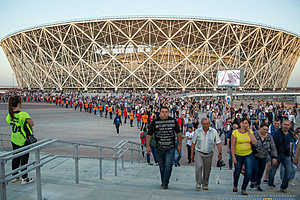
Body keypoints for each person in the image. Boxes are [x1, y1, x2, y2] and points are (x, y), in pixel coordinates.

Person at [146, 106, 182, 189]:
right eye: (163, 112)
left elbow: (179, 134)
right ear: (160, 112)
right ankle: (164, 181)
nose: (164, 113)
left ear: (168, 112)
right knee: (162, 166)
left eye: (166, 112)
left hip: (170, 147)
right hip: (159, 147)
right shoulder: (155, 122)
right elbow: (149, 135)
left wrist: (179, 145)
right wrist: (148, 146)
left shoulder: (173, 121)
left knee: (168, 165)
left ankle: (165, 183)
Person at [6, 96, 34, 184]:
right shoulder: (23, 114)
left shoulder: (9, 115)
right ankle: (24, 178)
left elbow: (9, 122)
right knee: (24, 160)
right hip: (23, 140)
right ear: (19, 104)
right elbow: (32, 124)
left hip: (14, 139)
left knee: (16, 158)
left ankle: (15, 176)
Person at [191, 118, 222, 190]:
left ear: (209, 124)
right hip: (199, 152)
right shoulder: (197, 131)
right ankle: (198, 182)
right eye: (204, 124)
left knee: (207, 169)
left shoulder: (214, 132)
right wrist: (192, 154)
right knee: (199, 167)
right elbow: (193, 143)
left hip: (209, 153)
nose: (206, 125)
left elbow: (218, 143)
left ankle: (205, 183)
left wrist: (220, 153)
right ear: (201, 124)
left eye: (207, 124)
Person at [231, 118, 257, 195]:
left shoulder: (250, 132)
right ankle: (235, 185)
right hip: (238, 154)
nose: (244, 125)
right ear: (240, 124)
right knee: (237, 172)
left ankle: (243, 188)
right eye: (243, 123)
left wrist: (249, 132)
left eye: (246, 123)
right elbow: (232, 146)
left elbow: (255, 143)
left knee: (248, 172)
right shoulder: (235, 132)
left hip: (248, 154)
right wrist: (233, 157)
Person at [268, 120, 295, 193]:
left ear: (290, 126)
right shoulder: (276, 133)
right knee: (273, 170)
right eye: (285, 124)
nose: (286, 126)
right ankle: (270, 183)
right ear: (282, 125)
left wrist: (292, 155)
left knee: (288, 171)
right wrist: (274, 157)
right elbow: (272, 146)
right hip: (277, 154)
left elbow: (292, 145)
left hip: (287, 155)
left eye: (288, 125)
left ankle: (283, 187)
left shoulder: (291, 134)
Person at [250, 123, 278, 191]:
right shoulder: (254, 134)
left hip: (264, 156)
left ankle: (258, 184)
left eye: (267, 130)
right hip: (255, 155)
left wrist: (274, 156)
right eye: (264, 129)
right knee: (255, 169)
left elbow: (273, 146)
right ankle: (253, 181)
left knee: (261, 170)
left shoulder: (269, 136)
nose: (265, 131)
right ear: (260, 128)